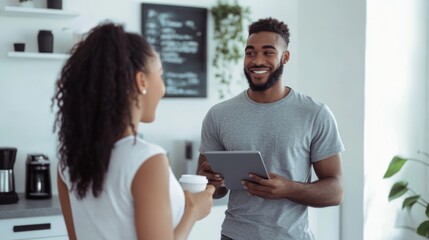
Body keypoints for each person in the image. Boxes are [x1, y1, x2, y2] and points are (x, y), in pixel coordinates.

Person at [52, 22, 215, 240]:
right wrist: (193, 211)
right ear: (141, 81)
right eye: (160, 74)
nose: (163, 88)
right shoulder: (147, 159)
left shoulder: (68, 161)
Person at [197, 17, 345, 240]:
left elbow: (335, 191)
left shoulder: (315, 113)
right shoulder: (219, 115)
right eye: (250, 52)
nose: (257, 60)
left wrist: (289, 189)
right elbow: (215, 192)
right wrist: (209, 181)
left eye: (268, 52)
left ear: (285, 57)